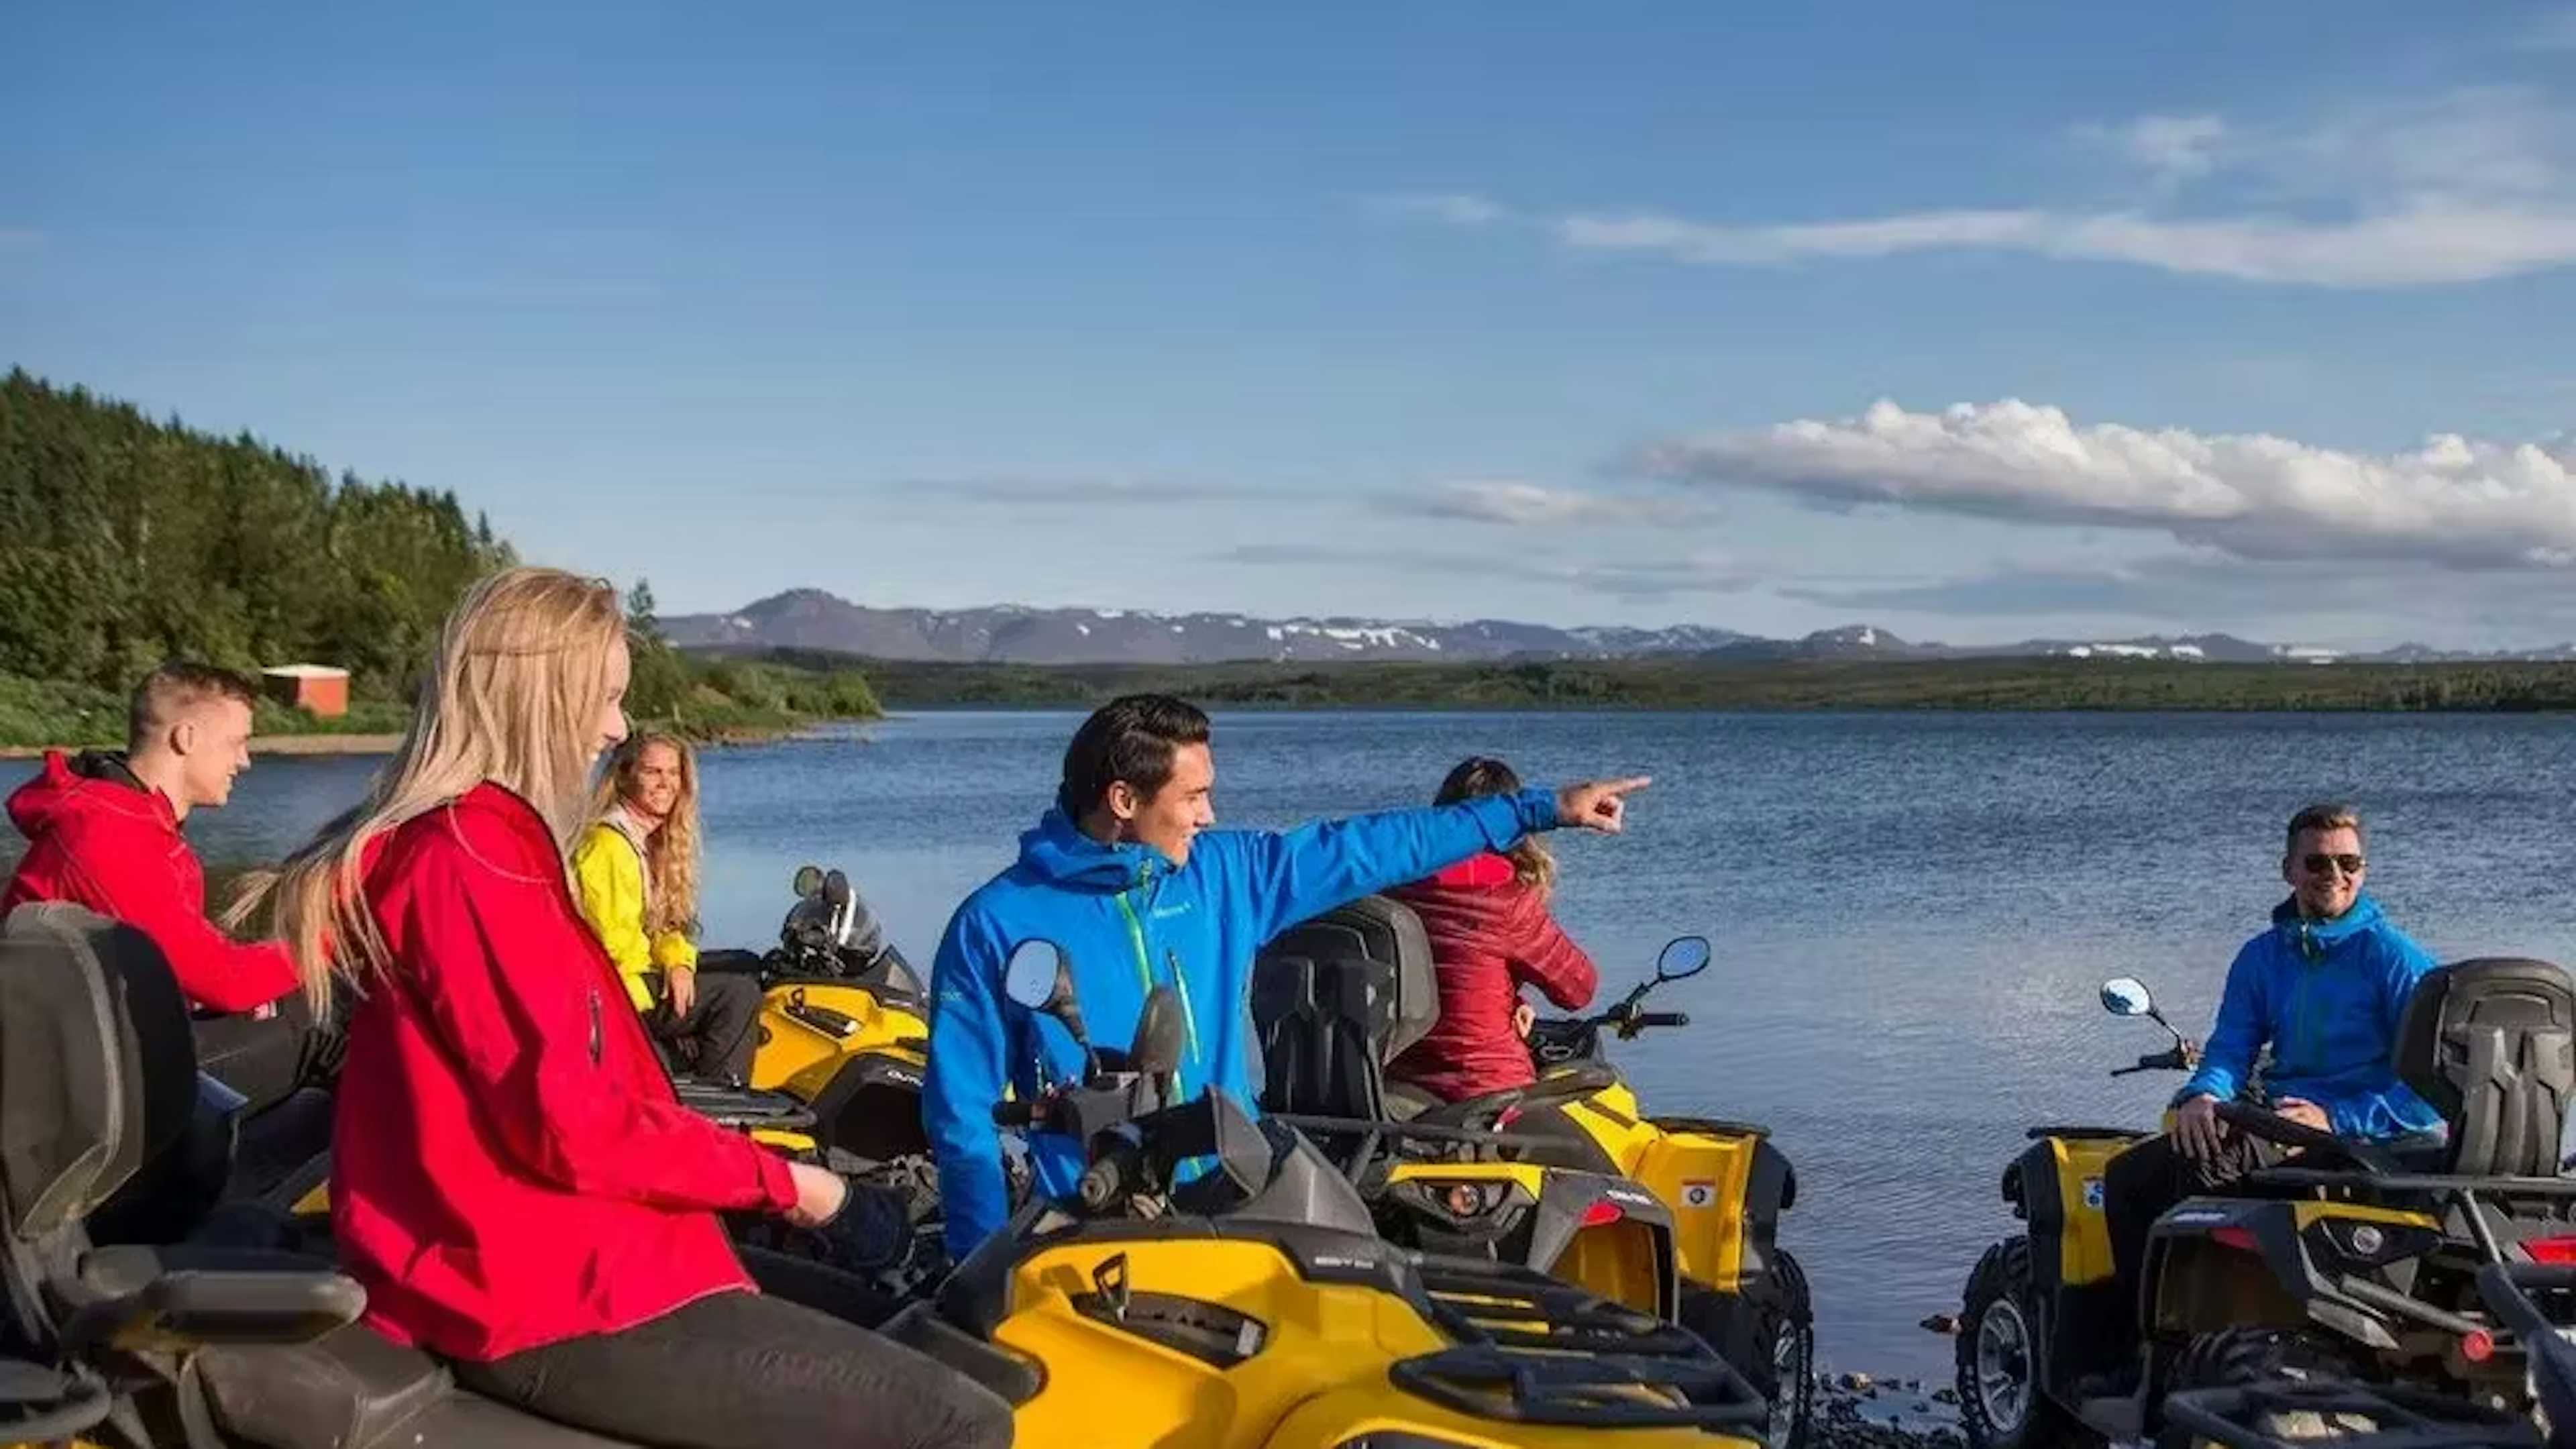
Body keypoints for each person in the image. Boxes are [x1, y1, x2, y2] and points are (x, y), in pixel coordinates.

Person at [239, 568, 1010, 1449]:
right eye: (605, 699)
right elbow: (571, 1123)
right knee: (961, 1424)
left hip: (584, 1252)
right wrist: (799, 1188)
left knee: (915, 1329)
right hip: (534, 1289)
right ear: (538, 698)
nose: (615, 730)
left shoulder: (502, 849)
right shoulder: (467, 860)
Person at [924, 693, 1649, 1258]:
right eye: (1192, 796)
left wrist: (1543, 808)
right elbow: (964, 1120)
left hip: (1230, 1196)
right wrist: (982, 1270)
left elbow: (1375, 848)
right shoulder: (997, 922)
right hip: (1092, 1221)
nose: (1209, 815)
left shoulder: (1226, 877)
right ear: (1123, 801)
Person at [2100, 802, 2443, 1344]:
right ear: (2289, 870)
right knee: (2127, 1177)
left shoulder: (2396, 960)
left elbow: (2432, 1090)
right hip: (2280, 1121)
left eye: (2348, 863)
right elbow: (2232, 1047)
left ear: (2365, 871)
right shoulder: (2262, 957)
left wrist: (2335, 1118)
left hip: (2360, 1133)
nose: (2334, 876)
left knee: (2205, 1172)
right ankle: (2137, 1339)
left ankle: (2193, 1344)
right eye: (2317, 864)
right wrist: (2205, 1096)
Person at [3, 661, 325, 1110]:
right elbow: (227, 982)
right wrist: (328, 942)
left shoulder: (127, 817)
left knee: (314, 1003)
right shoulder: (110, 835)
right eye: (237, 743)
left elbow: (188, 968)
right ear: (186, 738)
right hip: (78, 1093)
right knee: (328, 1024)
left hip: (102, 1051)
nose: (245, 761)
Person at [1384, 755, 1599, 1104]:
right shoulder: (1508, 900)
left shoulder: (1393, 886)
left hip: (1399, 1079)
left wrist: (1513, 999)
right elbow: (1578, 989)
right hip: (1486, 1092)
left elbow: (1441, 973)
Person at [574, 731, 759, 1084]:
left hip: (637, 976)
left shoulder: (646, 841)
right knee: (738, 995)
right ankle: (724, 1105)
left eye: (673, 773)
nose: (666, 783)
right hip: (619, 994)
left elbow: (664, 925)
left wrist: (678, 964)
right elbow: (612, 947)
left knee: (746, 964)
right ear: (626, 777)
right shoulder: (608, 845)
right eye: (653, 772)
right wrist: (664, 996)